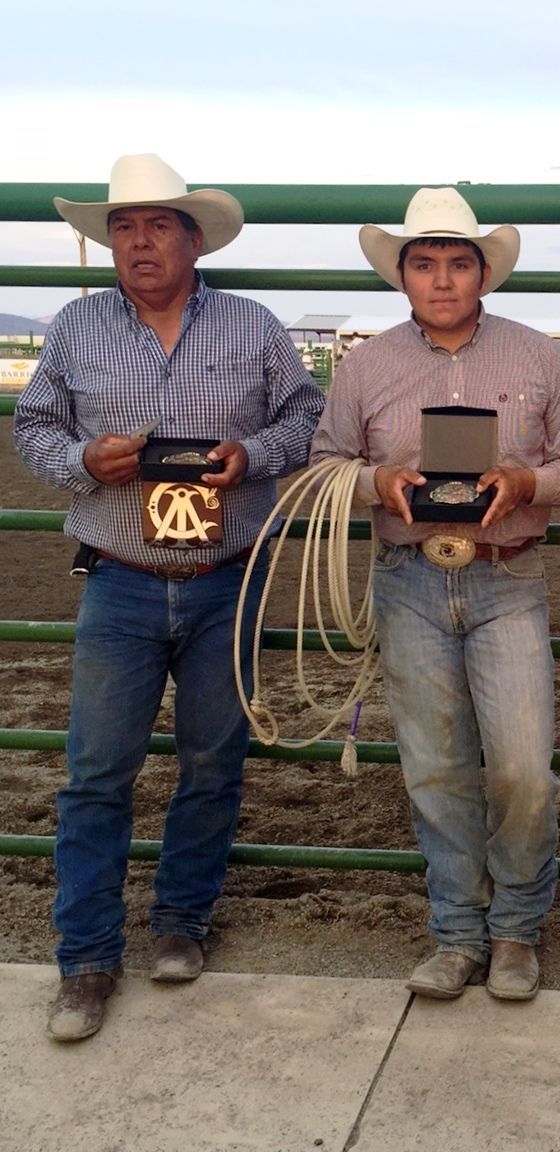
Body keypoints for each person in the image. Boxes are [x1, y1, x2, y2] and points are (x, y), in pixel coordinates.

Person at [13, 153, 325, 1042]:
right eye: (123, 227)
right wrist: (84, 461)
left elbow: (303, 413)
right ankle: (86, 958)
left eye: (157, 226)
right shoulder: (76, 328)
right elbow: (35, 426)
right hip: (119, 576)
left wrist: (252, 456)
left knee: (212, 764)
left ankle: (181, 922)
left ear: (194, 241)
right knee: (96, 774)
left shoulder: (252, 326)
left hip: (228, 579)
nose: (139, 243)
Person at [309, 187, 560, 1003]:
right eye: (425, 264)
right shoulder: (365, 366)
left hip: (507, 576)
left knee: (522, 768)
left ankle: (515, 929)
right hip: (408, 578)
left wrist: (527, 481)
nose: (441, 279)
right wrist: (376, 481)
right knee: (435, 767)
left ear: (483, 273)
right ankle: (459, 933)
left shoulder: (539, 358)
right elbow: (326, 460)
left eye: (458, 263)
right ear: (402, 275)